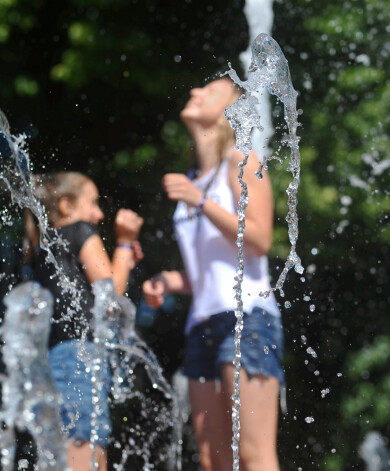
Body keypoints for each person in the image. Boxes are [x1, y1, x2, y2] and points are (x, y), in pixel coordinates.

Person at [142, 77, 284, 471]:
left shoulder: (241, 161)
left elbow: (258, 239)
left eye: (209, 91)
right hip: (201, 323)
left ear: (228, 112)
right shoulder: (192, 181)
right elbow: (212, 270)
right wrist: (172, 281)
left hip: (248, 320)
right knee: (213, 461)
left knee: (253, 455)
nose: (194, 92)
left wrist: (201, 202)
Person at [25, 171, 143, 471]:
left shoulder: (41, 249)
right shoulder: (79, 231)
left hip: (51, 361)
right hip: (79, 357)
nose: (99, 213)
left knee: (61, 453)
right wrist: (125, 244)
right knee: (86, 451)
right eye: (93, 203)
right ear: (66, 206)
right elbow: (110, 293)